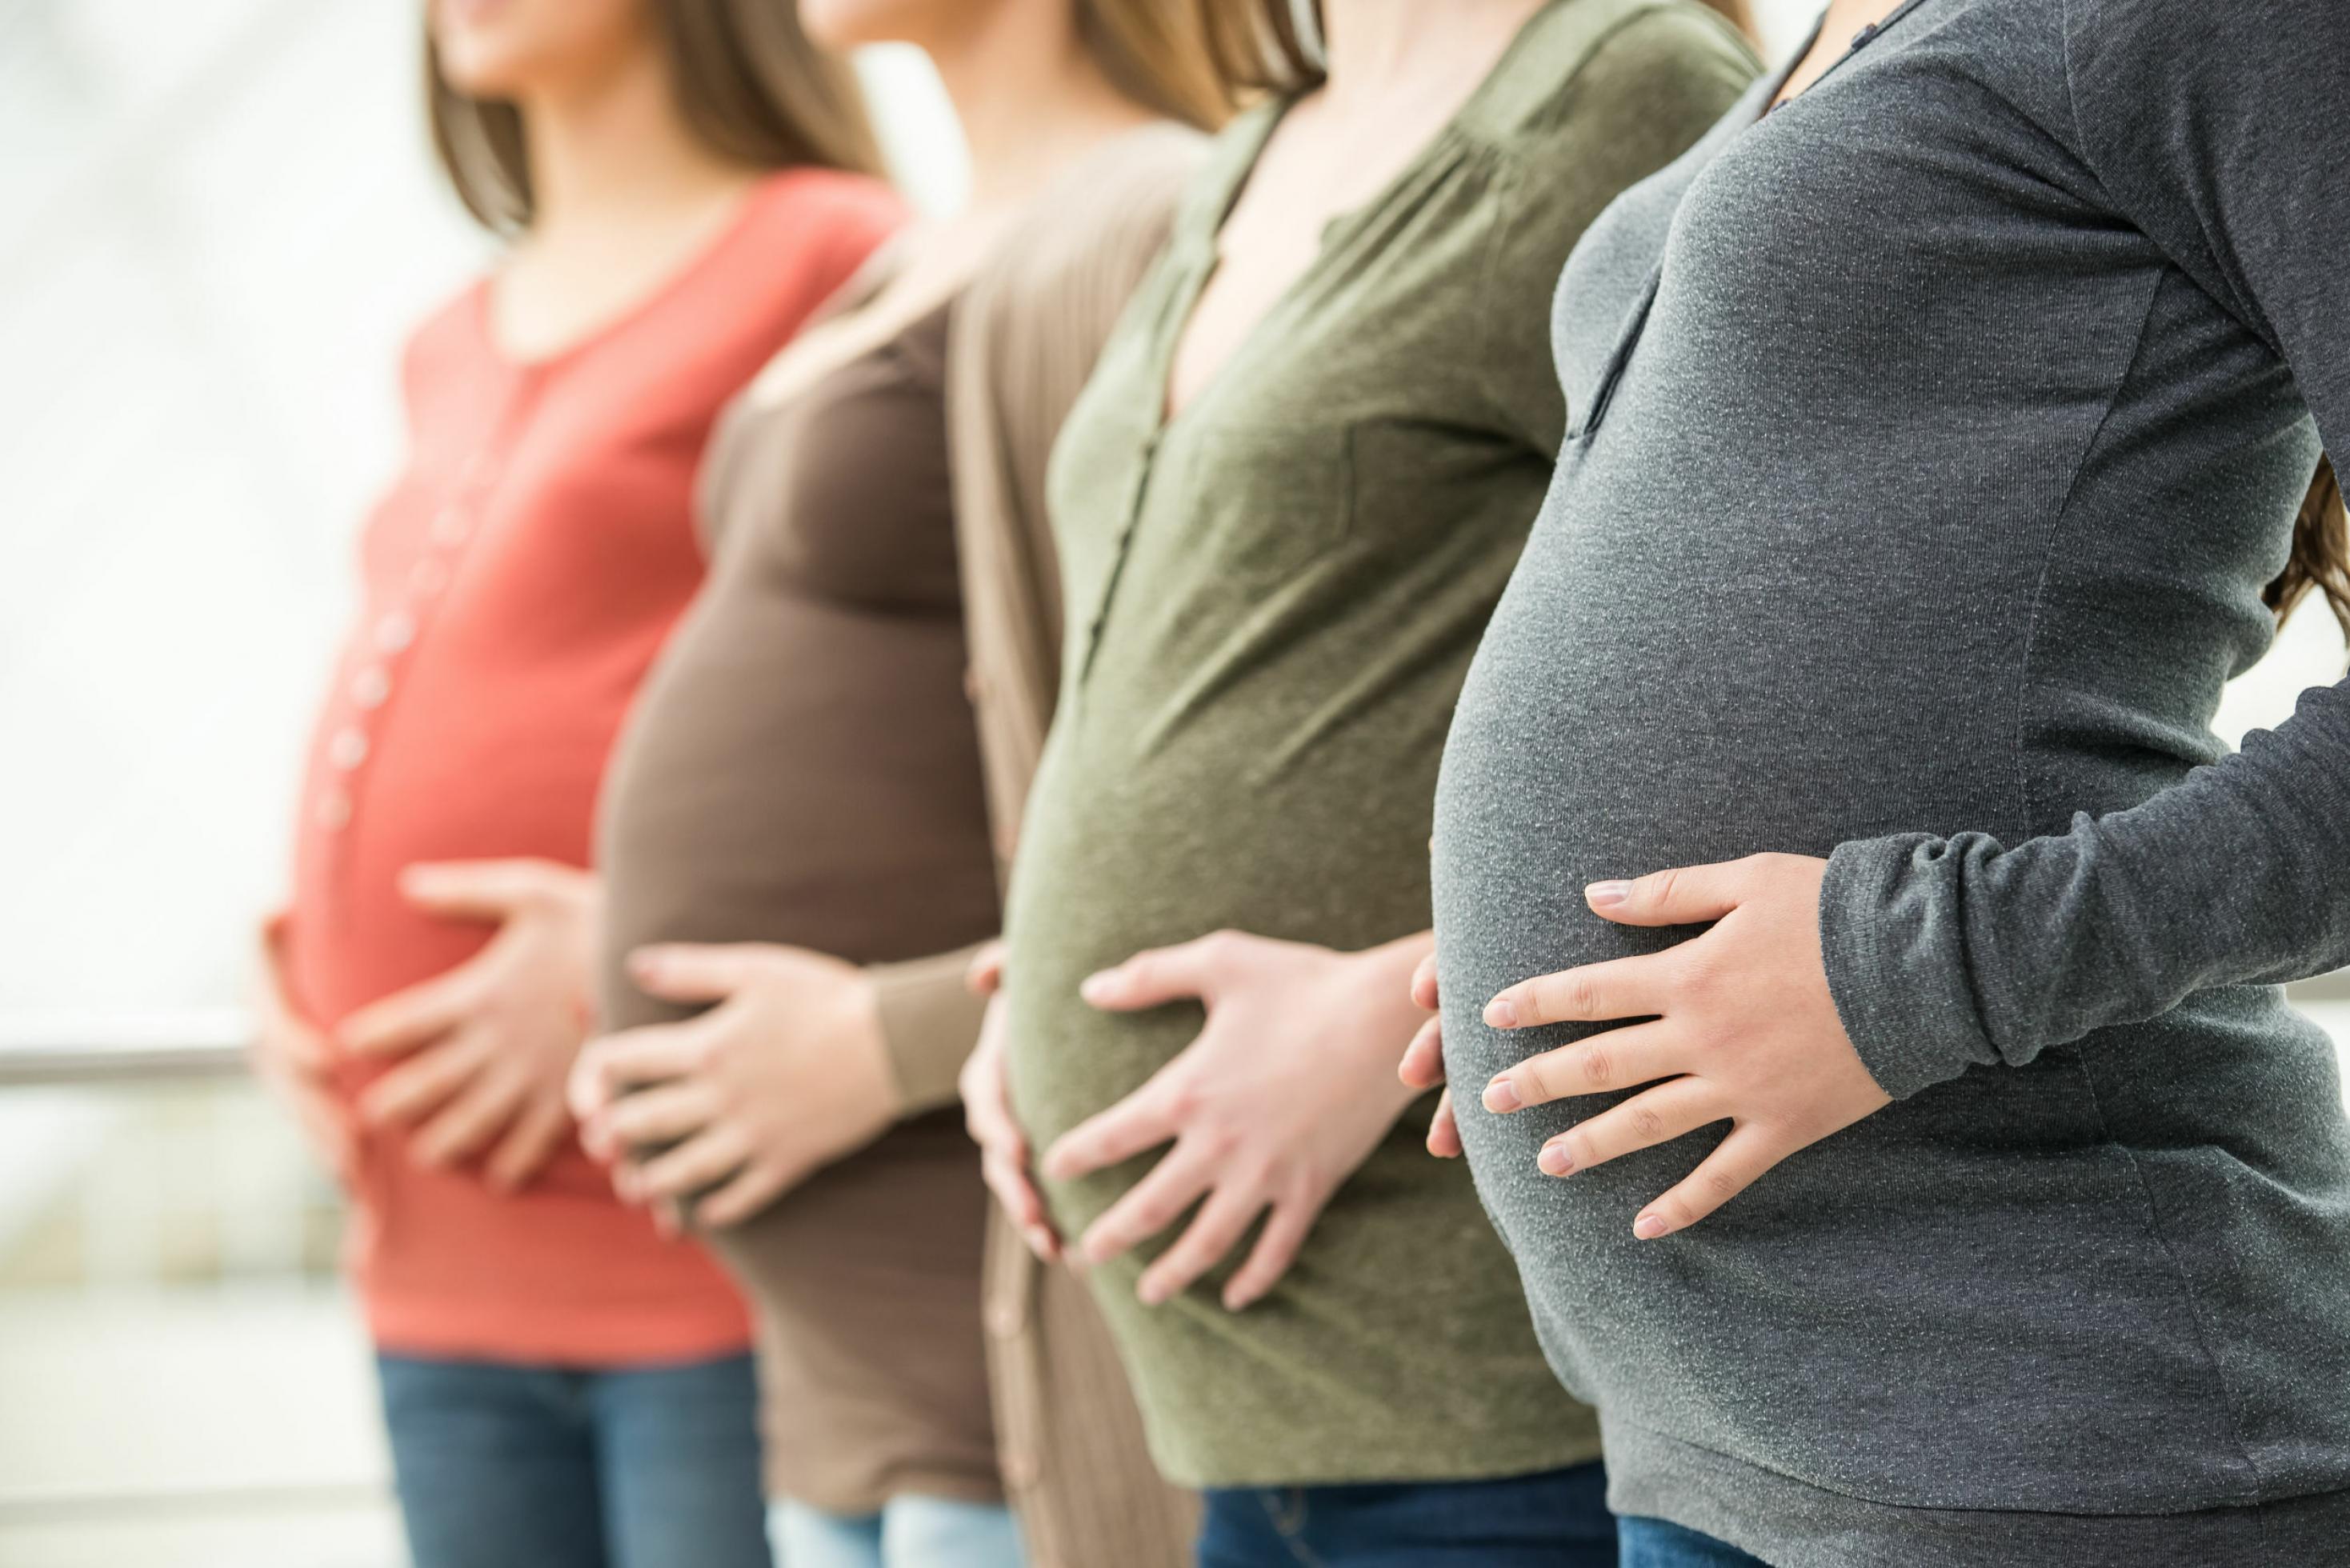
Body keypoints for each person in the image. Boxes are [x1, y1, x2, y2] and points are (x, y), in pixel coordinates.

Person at [1416, 0, 2350, 1562]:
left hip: (2056, 1438)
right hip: (1715, 1443)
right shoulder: (1839, 38)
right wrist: (1512, 958)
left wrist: (1906, 967)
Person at [979, 1, 1756, 1562]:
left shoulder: (1626, 90)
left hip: (1479, 1402)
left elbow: (1770, 691)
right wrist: (1029, 979)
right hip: (1252, 1424)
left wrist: (1405, 1001)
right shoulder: (1270, 131)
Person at [562, 3, 1223, 1565]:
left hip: (980, 1278)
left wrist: (884, 1039)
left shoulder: (1146, 217)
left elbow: (1182, 791)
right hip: (836, 1352)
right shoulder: (911, 252)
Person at [249, 2, 896, 1563]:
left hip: (678, 1227)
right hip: (432, 1249)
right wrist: (296, 966)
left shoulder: (827, 253)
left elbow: (910, 711)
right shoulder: (447, 335)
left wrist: (625, 938)